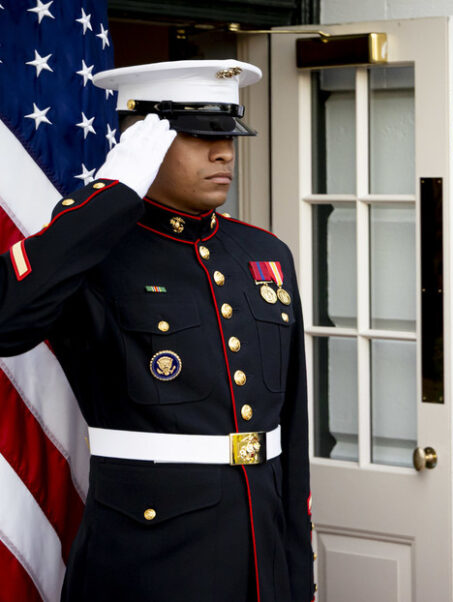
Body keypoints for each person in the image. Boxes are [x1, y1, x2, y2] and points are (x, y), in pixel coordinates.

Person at [0, 60, 313, 602]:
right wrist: (110, 196)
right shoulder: (93, 251)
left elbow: (290, 432)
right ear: (143, 141)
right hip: (148, 560)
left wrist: (295, 572)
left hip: (259, 553)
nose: (224, 153)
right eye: (199, 136)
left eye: (228, 136)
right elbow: (8, 322)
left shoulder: (263, 254)